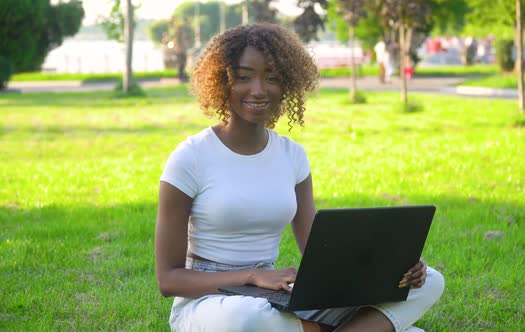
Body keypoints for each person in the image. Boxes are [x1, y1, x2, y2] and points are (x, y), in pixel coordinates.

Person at [155, 23, 444, 332]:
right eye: (243, 77)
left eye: (272, 77)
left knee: (431, 282)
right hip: (210, 304)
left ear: (287, 84)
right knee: (248, 319)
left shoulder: (292, 156)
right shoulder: (190, 157)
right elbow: (169, 279)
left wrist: (394, 269)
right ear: (223, 81)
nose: (258, 89)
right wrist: (250, 276)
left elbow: (320, 255)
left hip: (273, 293)